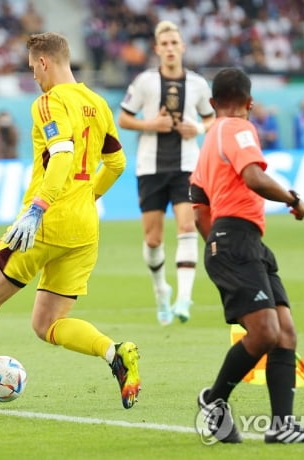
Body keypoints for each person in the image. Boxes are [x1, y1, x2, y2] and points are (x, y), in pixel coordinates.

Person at [0, 32, 140, 416]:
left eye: (33, 68)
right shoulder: (98, 103)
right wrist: (89, 197)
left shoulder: (48, 103)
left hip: (46, 222)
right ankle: (115, 353)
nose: (33, 76)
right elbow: (116, 164)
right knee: (47, 323)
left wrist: (39, 207)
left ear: (45, 62)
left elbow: (62, 155)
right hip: (84, 228)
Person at [189, 67, 304, 444]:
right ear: (249, 104)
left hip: (241, 241)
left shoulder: (208, 143)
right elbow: (253, 176)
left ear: (213, 103)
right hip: (237, 240)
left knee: (284, 332)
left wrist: (215, 243)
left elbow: (199, 207)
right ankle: (213, 399)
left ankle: (282, 426)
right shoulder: (237, 128)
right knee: (266, 332)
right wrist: (293, 199)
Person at [118, 20, 214, 326]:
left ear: (182, 47)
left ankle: (184, 298)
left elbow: (212, 120)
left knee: (187, 226)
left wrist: (197, 127)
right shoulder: (145, 82)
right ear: (157, 49)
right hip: (150, 166)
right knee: (154, 238)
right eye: (165, 44)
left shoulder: (198, 84)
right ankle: (162, 290)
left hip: (187, 165)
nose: (171, 49)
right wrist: (151, 125)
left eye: (175, 43)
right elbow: (123, 118)